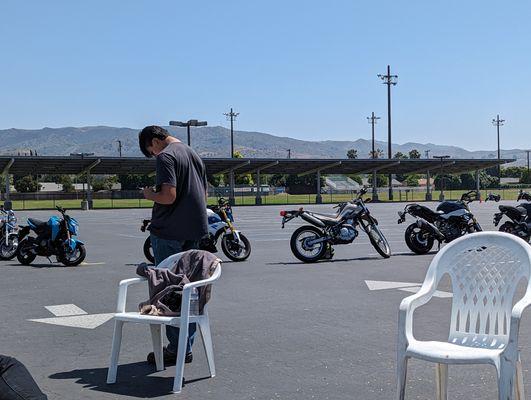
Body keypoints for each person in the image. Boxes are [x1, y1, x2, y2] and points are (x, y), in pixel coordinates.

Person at [138, 125, 208, 366]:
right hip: (194, 227)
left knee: (168, 289)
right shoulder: (192, 154)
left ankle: (175, 349)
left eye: (151, 151)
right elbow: (203, 191)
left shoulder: (167, 156)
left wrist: (149, 195)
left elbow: (169, 196)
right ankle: (185, 347)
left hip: (169, 231)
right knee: (189, 290)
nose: (154, 155)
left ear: (155, 141)